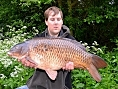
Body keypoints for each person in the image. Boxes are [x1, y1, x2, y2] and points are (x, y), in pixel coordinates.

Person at [16, 6, 75, 89]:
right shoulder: (37, 39)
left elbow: (76, 62)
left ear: (62, 22)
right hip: (38, 85)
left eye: (58, 19)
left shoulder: (69, 40)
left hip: (62, 86)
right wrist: (28, 62)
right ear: (46, 22)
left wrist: (74, 64)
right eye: (52, 19)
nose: (56, 22)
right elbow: (30, 60)